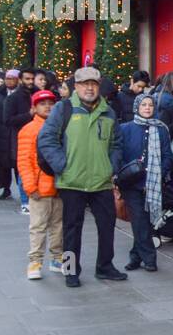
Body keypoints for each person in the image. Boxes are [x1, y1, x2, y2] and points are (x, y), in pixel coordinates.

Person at [36, 66, 127, 288]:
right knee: (71, 230)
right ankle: (70, 270)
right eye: (85, 84)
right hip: (72, 182)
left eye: (93, 84)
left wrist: (111, 167)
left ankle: (105, 266)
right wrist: (62, 166)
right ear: (76, 86)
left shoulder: (108, 112)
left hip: (101, 181)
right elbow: (46, 139)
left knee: (107, 226)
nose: (89, 88)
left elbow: (116, 144)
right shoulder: (63, 109)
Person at [117, 94, 173, 272]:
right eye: (143, 105)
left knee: (145, 223)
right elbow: (119, 153)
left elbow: (167, 155)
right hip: (131, 184)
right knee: (139, 220)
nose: (147, 108)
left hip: (153, 184)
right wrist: (122, 172)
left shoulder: (161, 129)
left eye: (150, 105)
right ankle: (150, 258)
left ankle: (135, 257)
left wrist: (160, 172)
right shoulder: (125, 128)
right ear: (137, 107)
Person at [18, 90, 65, 278]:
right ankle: (35, 262)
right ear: (34, 107)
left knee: (58, 227)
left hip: (59, 186)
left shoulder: (61, 126)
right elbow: (24, 161)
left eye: (50, 103)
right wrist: (30, 187)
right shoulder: (29, 130)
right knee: (38, 227)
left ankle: (57, 259)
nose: (47, 107)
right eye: (42, 104)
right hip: (39, 188)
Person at [1, 69, 36, 210]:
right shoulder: (13, 98)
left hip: (38, 137)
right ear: (21, 80)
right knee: (24, 170)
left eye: (32, 78)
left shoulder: (37, 94)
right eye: (27, 79)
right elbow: (7, 120)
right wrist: (29, 115)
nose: (31, 81)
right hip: (21, 139)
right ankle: (25, 201)